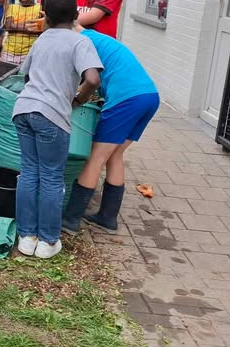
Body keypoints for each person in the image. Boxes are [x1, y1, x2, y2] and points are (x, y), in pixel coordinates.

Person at [12, 0, 102, 259]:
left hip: (24, 110)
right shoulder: (79, 42)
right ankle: (48, 241)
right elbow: (94, 80)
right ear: (76, 16)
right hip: (52, 116)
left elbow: (25, 75)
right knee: (51, 176)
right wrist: (77, 99)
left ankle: (26, 237)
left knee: (29, 173)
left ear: (46, 18)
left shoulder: (41, 39)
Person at [62, 28, 160, 234]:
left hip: (127, 99)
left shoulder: (81, 43)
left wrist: (74, 100)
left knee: (96, 157)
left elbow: (87, 82)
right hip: (149, 96)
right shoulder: (96, 38)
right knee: (115, 154)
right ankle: (107, 217)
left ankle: (71, 219)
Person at [1, 0, 43, 64]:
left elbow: (38, 29)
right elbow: (8, 26)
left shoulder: (39, 9)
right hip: (9, 51)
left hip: (28, 53)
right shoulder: (12, 7)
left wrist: (15, 26)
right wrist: (28, 26)